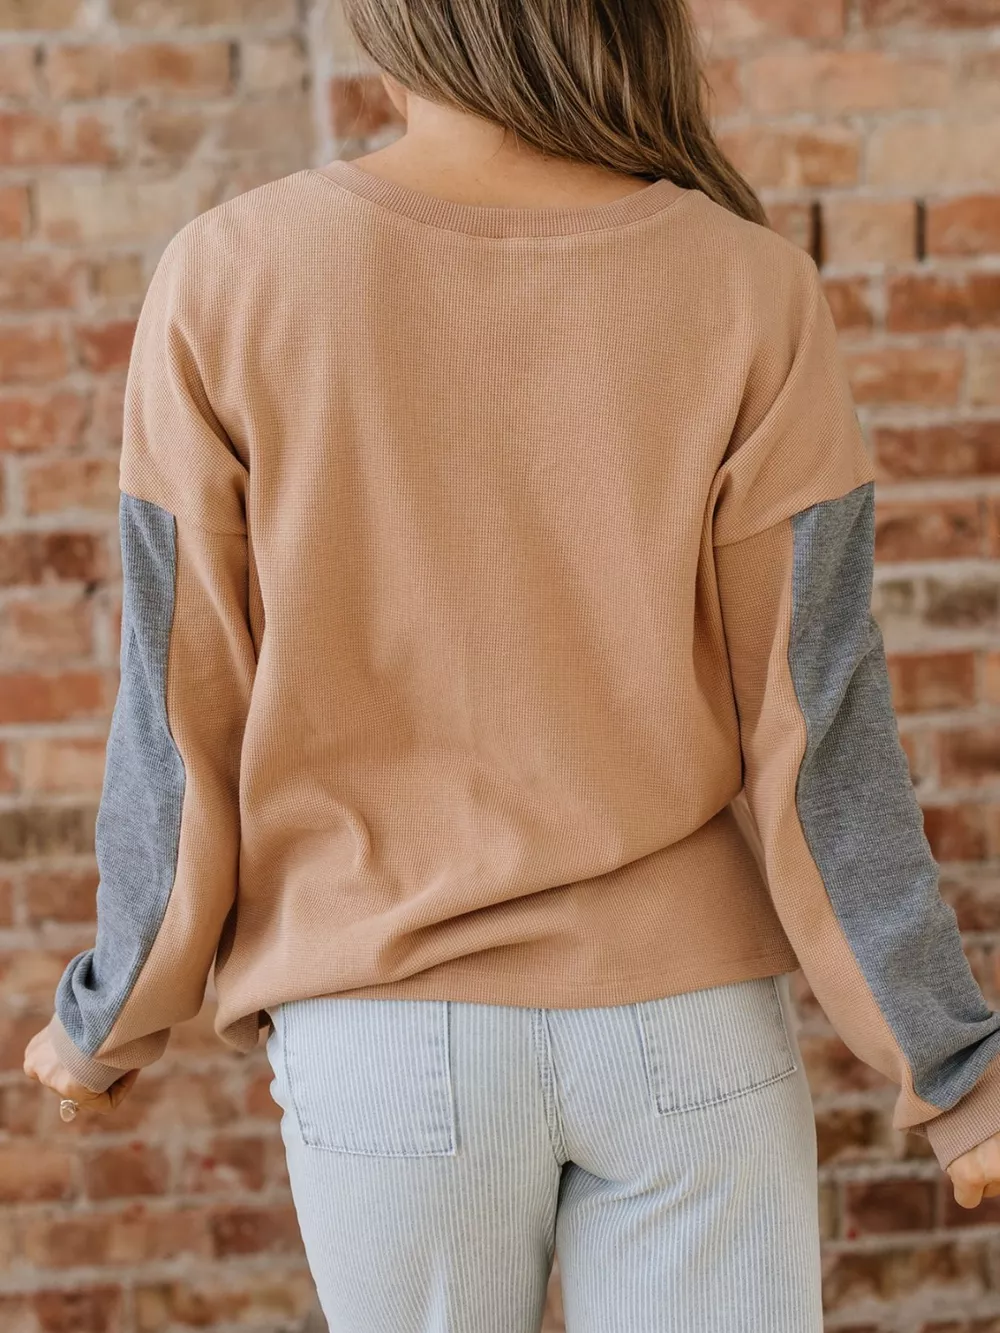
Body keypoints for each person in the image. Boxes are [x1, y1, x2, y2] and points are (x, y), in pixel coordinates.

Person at [21, 0, 1000, 1328]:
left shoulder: (228, 271)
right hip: (685, 1029)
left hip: (385, 1032)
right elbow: (816, 727)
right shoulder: (750, 283)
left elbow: (181, 710)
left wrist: (109, 1016)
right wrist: (954, 1070)